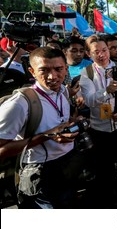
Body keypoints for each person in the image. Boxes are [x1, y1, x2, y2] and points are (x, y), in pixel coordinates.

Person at [0, 47, 83, 208]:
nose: (53, 76)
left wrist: (73, 121)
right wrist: (45, 136)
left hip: (67, 164)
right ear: (32, 72)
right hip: (40, 172)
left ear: (66, 69)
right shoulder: (20, 103)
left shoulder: (63, 91)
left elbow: (60, 121)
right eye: (44, 70)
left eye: (58, 69)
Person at [79, 35, 117, 208]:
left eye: (104, 50)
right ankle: (110, 203)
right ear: (89, 54)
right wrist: (106, 91)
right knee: (105, 171)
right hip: (100, 130)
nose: (102, 54)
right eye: (96, 52)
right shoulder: (87, 73)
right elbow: (88, 100)